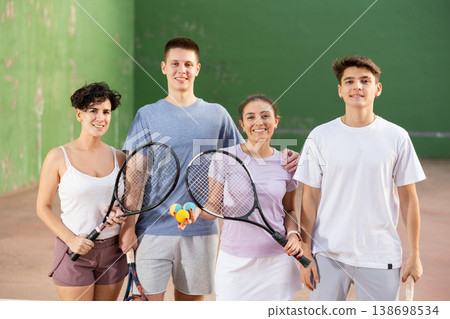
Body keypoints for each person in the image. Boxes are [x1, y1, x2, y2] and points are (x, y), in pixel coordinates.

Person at [119, 37, 299, 301]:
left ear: (198, 69)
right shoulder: (147, 114)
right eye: (175, 64)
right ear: (163, 67)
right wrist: (129, 225)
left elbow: (246, 158)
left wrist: (286, 156)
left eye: (188, 64)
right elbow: (135, 174)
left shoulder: (217, 115)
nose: (182, 70)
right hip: (153, 229)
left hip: (201, 234)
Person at [294, 56, 426, 301]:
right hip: (327, 255)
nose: (357, 87)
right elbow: (310, 197)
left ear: (377, 89)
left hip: (381, 257)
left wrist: (415, 254)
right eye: (350, 81)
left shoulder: (397, 137)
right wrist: (305, 251)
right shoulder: (319, 136)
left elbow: (409, 199)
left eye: (365, 81)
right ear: (340, 91)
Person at [179, 94, 304, 301]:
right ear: (242, 125)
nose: (259, 122)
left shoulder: (286, 163)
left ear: (276, 121)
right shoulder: (223, 158)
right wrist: (196, 211)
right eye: (251, 117)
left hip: (277, 263)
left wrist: (293, 234)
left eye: (265, 116)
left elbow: (289, 210)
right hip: (234, 262)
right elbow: (213, 206)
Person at [36, 82, 128, 301]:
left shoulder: (120, 158)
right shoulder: (58, 157)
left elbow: (125, 204)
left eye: (106, 112)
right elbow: (42, 207)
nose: (100, 117)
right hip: (74, 251)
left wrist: (120, 213)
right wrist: (71, 240)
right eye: (92, 111)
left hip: (112, 251)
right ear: (79, 114)